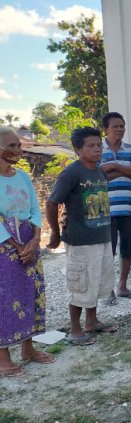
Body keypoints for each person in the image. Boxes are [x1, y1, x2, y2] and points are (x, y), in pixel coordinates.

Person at [47, 127, 118, 346]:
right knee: (80, 284)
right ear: (78, 149)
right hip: (80, 239)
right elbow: (52, 202)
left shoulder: (98, 171)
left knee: (96, 281)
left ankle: (92, 321)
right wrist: (55, 233)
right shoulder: (71, 173)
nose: (97, 149)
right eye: (91, 146)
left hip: (102, 236)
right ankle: (75, 330)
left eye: (99, 145)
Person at [0, 127, 54, 377]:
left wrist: (34, 240)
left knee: (30, 293)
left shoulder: (22, 176)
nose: (17, 151)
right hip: (4, 248)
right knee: (4, 299)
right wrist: (16, 245)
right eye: (11, 146)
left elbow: (34, 208)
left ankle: (28, 349)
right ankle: (3, 358)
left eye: (18, 146)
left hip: (29, 243)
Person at [100, 112, 131, 302]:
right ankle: (107, 290)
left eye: (122, 126)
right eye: (115, 126)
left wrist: (114, 166)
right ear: (106, 129)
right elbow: (98, 176)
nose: (120, 129)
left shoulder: (130, 148)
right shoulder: (97, 148)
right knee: (106, 251)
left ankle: (123, 287)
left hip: (128, 207)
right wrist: (125, 171)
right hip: (106, 209)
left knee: (128, 248)